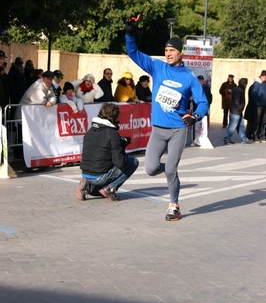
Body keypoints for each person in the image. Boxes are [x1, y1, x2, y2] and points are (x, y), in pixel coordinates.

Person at [125, 14, 208, 221]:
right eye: (166, 50)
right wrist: (130, 33)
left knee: (171, 167)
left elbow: (203, 102)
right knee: (151, 168)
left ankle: (174, 204)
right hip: (158, 129)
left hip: (178, 129)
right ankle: (171, 174)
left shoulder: (189, 77)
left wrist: (195, 116)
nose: (168, 53)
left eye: (172, 50)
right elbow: (133, 52)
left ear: (180, 53)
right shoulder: (157, 67)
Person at [76, 103, 139, 201]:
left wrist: (120, 142)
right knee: (133, 161)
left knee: (98, 186)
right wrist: (122, 145)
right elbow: (120, 162)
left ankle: (88, 186)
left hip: (85, 173)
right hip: (99, 176)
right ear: (115, 117)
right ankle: (109, 188)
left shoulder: (90, 131)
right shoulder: (112, 134)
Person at [224, 78, 253, 145]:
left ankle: (244, 138)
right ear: (244, 84)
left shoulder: (239, 89)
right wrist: (240, 108)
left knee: (241, 126)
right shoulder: (238, 90)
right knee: (232, 126)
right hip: (235, 112)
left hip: (237, 111)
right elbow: (236, 101)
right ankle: (227, 139)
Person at [244, 70, 266, 143]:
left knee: (263, 121)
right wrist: (258, 103)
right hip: (259, 106)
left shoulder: (264, 84)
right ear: (262, 76)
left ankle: (260, 135)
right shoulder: (256, 84)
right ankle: (255, 135)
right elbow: (253, 94)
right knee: (257, 121)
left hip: (264, 105)